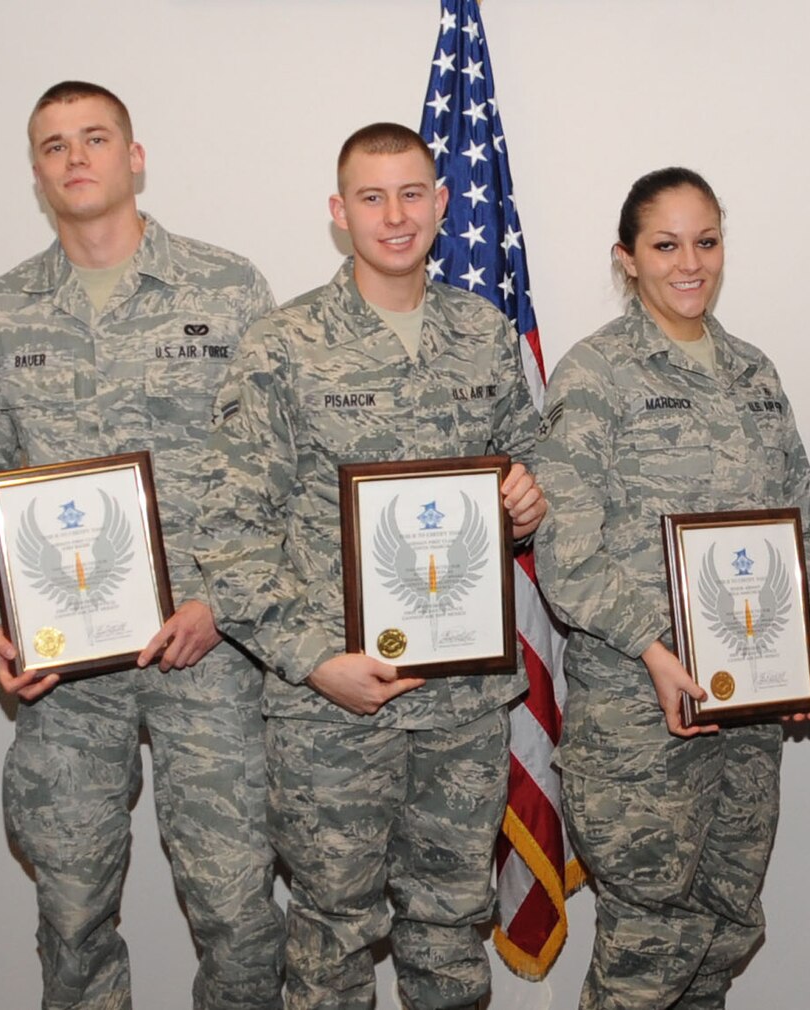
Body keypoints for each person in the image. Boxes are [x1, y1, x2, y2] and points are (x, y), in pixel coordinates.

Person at [0, 81, 283, 1010]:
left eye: (95, 139)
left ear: (134, 156)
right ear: (37, 171)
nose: (76, 158)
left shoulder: (227, 288)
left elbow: (279, 460)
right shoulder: (3, 312)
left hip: (210, 648)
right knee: (73, 911)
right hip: (66, 668)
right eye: (53, 145)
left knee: (237, 908)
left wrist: (226, 602)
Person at [192, 122, 547, 1010]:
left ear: (443, 202)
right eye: (372, 197)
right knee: (334, 932)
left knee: (451, 923)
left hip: (464, 702)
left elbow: (527, 463)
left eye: (413, 193)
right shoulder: (285, 344)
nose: (396, 215)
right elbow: (229, 531)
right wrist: (316, 662)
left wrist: (531, 496)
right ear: (338, 213)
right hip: (333, 708)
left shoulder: (484, 333)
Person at [533, 167, 810, 1009]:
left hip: (747, 710)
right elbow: (567, 552)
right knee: (647, 956)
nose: (689, 262)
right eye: (665, 245)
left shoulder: (753, 372)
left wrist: (807, 628)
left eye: (706, 241)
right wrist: (656, 651)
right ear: (627, 258)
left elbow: (798, 520)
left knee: (721, 934)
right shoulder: (596, 375)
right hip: (640, 722)